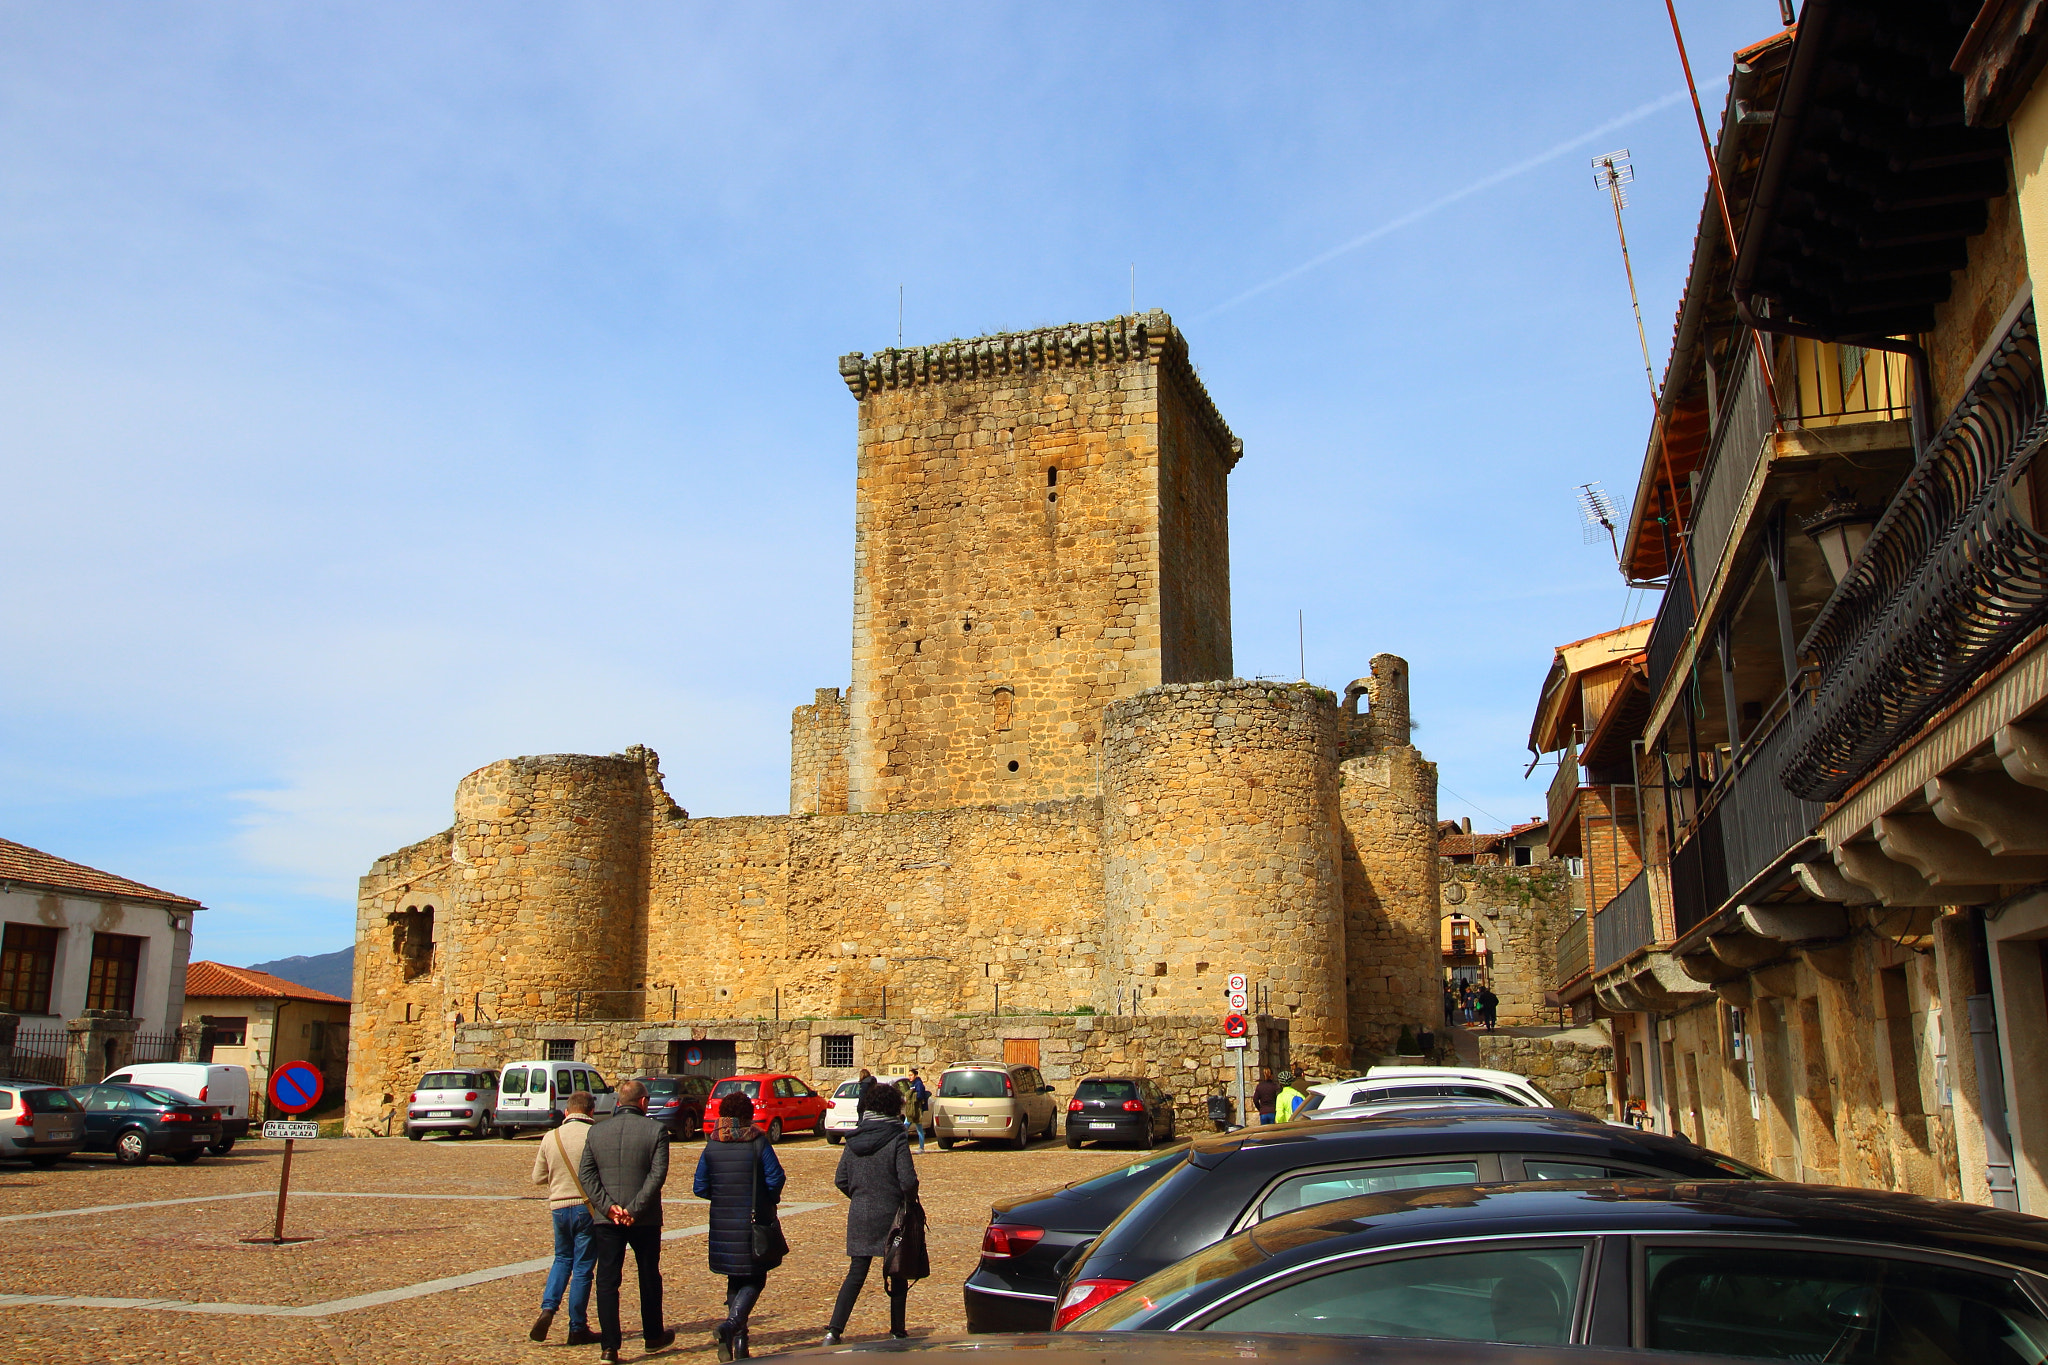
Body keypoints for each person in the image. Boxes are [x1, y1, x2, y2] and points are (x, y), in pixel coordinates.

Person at [578, 1077, 675, 1364]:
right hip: (643, 1219)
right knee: (648, 1275)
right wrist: (633, 1209)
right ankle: (653, 1335)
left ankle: (609, 1346)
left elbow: (587, 1175)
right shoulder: (656, 1130)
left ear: (618, 1103)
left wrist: (608, 1208)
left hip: (607, 1220)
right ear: (643, 1102)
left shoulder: (596, 1132)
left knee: (608, 1281)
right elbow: (656, 1176)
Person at [824, 1082, 919, 1344]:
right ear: (893, 1108)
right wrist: (908, 1201)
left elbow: (841, 1179)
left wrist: (860, 1197)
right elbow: (908, 1180)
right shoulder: (897, 1137)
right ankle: (897, 1330)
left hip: (860, 1212)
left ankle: (834, 1330)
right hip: (892, 1213)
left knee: (856, 1273)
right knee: (897, 1271)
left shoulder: (853, 1138)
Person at [694, 1091, 786, 1361]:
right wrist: (765, 1199)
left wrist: (723, 1195)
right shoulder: (757, 1142)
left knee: (735, 1279)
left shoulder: (712, 1145)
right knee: (756, 1277)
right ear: (748, 1115)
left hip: (722, 1223)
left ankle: (739, 1343)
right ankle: (731, 1327)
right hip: (752, 1221)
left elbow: (700, 1186)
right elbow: (775, 1178)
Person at [529, 1090, 601, 1346]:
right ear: (591, 1111)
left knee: (561, 1259)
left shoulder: (551, 1137)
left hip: (558, 1207)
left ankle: (548, 1308)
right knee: (583, 1267)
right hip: (587, 1207)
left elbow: (538, 1177)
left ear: (567, 1112)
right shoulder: (595, 1135)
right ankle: (577, 1326)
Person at [897, 1076, 925, 1152]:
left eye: (911, 1075)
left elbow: (919, 1096)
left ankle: (921, 1147)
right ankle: (904, 1146)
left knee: (916, 1128)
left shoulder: (918, 1084)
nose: (910, 1077)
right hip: (911, 1109)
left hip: (915, 1110)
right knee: (907, 1127)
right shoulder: (913, 1084)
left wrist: (913, 1095)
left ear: (915, 1075)